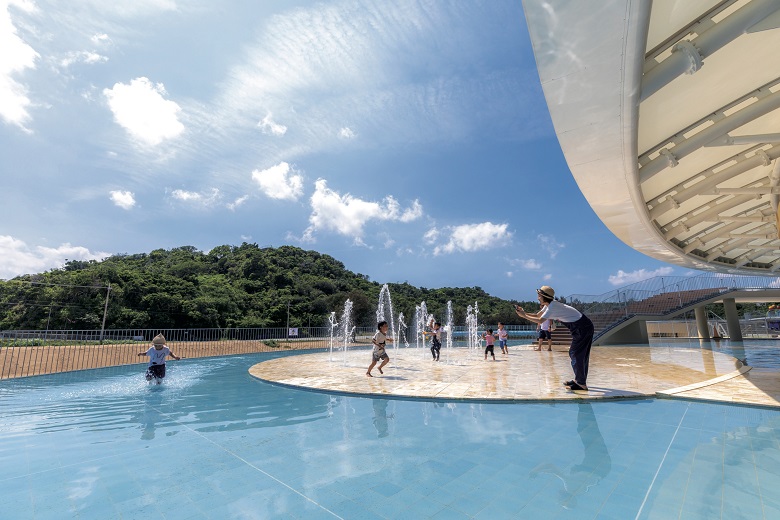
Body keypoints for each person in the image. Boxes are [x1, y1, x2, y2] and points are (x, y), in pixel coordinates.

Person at [515, 286, 594, 391]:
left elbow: (540, 320)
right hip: (581, 327)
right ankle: (579, 380)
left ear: (543, 296)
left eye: (539, 296)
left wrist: (523, 316)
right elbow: (538, 315)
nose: (538, 298)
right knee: (580, 354)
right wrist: (524, 313)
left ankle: (581, 384)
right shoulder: (549, 305)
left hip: (582, 327)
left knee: (575, 353)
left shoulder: (552, 307)